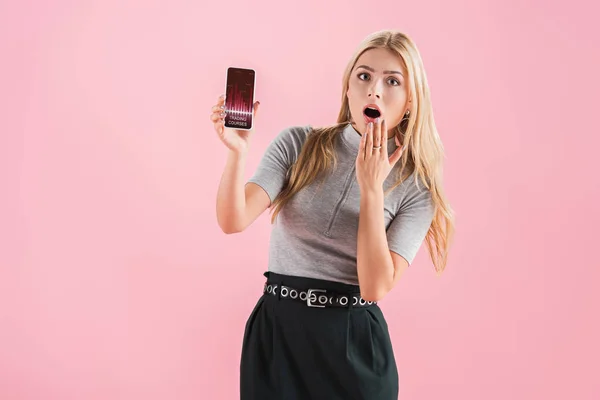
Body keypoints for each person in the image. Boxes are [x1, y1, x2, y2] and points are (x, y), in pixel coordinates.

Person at [211, 29, 455, 400]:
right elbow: (234, 220)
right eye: (364, 76)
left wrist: (372, 189)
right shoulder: (298, 144)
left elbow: (375, 287)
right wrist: (237, 152)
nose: (375, 89)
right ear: (348, 89)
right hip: (277, 335)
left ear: (409, 102)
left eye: (392, 81)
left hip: (352, 345)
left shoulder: (416, 189)